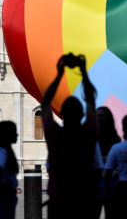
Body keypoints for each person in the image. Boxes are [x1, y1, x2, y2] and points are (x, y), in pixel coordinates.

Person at [41, 53, 100, 219]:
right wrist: (83, 72)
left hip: (59, 198)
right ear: (81, 113)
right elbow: (91, 100)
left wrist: (59, 74)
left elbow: (45, 103)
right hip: (85, 196)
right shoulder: (88, 131)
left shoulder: (54, 134)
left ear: (62, 113)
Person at [97, 106, 121, 218]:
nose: (98, 118)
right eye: (96, 116)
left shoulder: (115, 139)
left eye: (101, 116)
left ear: (108, 118)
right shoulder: (90, 138)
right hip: (94, 184)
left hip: (112, 184)